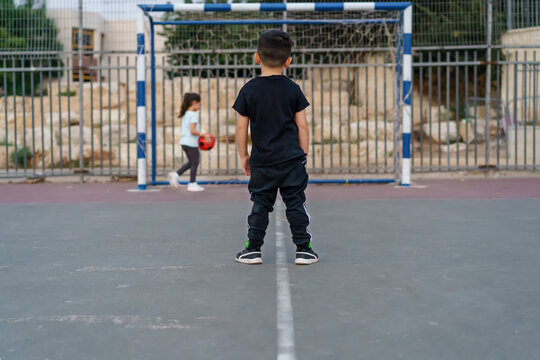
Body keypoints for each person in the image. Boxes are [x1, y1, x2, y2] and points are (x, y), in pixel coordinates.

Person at [232, 29, 318, 265]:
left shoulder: (249, 90)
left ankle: (253, 249)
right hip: (291, 160)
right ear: (288, 61)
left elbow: (241, 129)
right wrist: (303, 154)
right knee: (296, 203)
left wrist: (244, 156)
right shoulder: (293, 89)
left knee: (260, 204)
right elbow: (303, 127)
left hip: (263, 162)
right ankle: (304, 249)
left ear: (256, 57)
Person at [168, 92, 210, 192]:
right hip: (191, 142)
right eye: (199, 104)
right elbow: (192, 131)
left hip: (184, 142)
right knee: (195, 162)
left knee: (191, 162)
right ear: (194, 102)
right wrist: (204, 135)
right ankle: (192, 184)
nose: (199, 106)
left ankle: (176, 174)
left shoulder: (185, 114)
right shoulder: (193, 115)